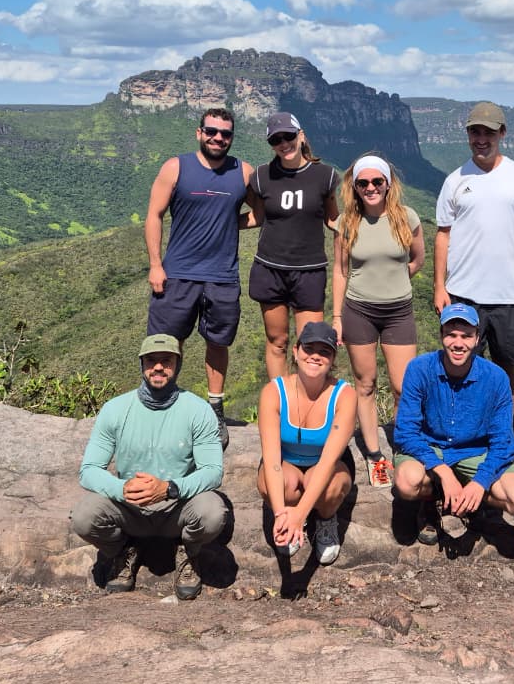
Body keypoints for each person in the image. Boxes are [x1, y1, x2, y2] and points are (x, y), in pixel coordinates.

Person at [69, 334, 227, 601]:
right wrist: (122, 489)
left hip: (177, 508)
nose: (158, 367)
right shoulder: (115, 409)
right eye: (151, 360)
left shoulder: (198, 410)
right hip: (130, 507)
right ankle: (122, 550)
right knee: (84, 516)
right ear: (141, 364)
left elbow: (212, 470)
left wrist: (170, 488)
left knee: (212, 512)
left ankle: (188, 551)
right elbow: (89, 469)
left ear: (178, 364)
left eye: (166, 361)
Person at [145, 108, 261, 449]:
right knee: (166, 343)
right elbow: (154, 215)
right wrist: (155, 264)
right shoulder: (176, 167)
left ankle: (215, 410)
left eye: (225, 133)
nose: (218, 138)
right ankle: (161, 404)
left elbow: (260, 214)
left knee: (218, 343)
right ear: (199, 133)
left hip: (222, 276)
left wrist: (229, 223)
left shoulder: (243, 172)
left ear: (232, 137)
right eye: (211, 131)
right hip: (177, 273)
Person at [432, 101, 514, 406]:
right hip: (464, 292)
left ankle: (504, 424)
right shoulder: (454, 180)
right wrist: (439, 287)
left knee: (505, 365)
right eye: (475, 132)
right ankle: (463, 422)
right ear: (468, 135)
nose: (481, 139)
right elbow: (443, 235)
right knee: (460, 362)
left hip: (509, 293)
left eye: (488, 132)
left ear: (502, 133)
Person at [393, 303, 514, 544]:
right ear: (442, 336)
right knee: (407, 482)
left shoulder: (496, 377)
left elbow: (503, 441)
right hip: (431, 446)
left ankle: (469, 498)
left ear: (477, 339)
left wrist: (480, 482)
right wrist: (443, 471)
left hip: (475, 450)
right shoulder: (420, 369)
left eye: (466, 336)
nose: (458, 343)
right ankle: (433, 497)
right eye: (452, 335)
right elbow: (406, 432)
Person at [331, 154, 424, 488]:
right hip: (359, 311)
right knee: (365, 384)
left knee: (403, 387)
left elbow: (418, 259)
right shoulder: (346, 222)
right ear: (354, 187)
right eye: (363, 183)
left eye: (376, 181)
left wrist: (394, 279)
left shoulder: (407, 217)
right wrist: (337, 317)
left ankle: (404, 448)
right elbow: (340, 271)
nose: (370, 188)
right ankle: (374, 455)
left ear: (388, 184)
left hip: (399, 311)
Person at [256, 321, 357, 565]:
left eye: (324, 351)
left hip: (327, 463)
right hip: (286, 460)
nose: (315, 356)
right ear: (296, 351)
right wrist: (280, 514)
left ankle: (325, 517)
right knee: (277, 484)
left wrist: (300, 515)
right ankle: (286, 515)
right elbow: (272, 460)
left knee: (326, 487)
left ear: (333, 359)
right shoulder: (274, 392)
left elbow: (328, 461)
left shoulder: (344, 395)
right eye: (308, 348)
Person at [248, 111, 339, 380]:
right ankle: (280, 398)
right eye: (276, 140)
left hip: (309, 270)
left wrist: (374, 224)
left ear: (301, 136)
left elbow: (333, 219)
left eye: (288, 136)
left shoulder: (325, 176)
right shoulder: (261, 176)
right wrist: (217, 221)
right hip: (270, 268)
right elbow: (256, 217)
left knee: (311, 345)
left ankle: (307, 400)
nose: (283, 143)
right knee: (277, 342)